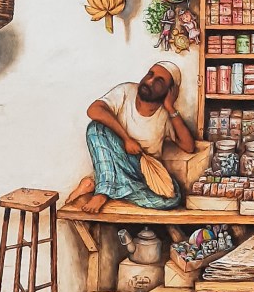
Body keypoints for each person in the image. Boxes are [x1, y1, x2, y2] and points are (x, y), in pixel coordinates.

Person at [65, 61, 195, 213]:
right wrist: (126, 139)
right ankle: (102, 192)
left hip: (141, 172)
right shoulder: (126, 91)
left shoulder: (166, 114)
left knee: (171, 200)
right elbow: (94, 110)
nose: (150, 81)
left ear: (169, 91)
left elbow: (188, 146)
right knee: (96, 128)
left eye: (159, 81)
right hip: (115, 158)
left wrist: (170, 107)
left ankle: (96, 183)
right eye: (150, 74)